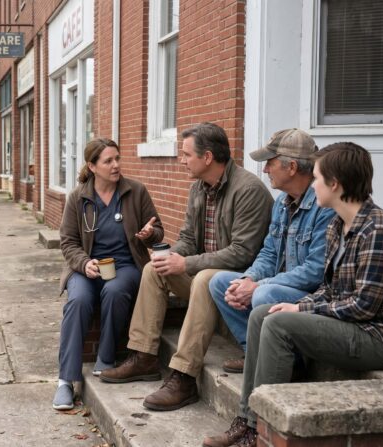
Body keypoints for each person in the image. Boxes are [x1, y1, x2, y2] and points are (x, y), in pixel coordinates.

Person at [203, 142, 383, 447]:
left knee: (280, 324)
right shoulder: (337, 226)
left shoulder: (378, 231)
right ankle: (248, 420)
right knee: (260, 315)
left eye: (317, 178)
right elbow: (330, 290)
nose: (312, 184)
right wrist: (299, 304)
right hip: (356, 326)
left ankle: (261, 429)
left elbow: (363, 307)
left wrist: (302, 311)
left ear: (335, 184)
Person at [100, 123, 273, 412]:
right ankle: (144, 357)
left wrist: (186, 262)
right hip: (206, 279)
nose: (181, 160)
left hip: (236, 288)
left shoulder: (249, 190)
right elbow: (189, 239)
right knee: (154, 269)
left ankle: (184, 376)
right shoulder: (198, 188)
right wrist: (170, 256)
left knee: (204, 277)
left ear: (207, 157)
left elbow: (244, 253)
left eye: (186, 155)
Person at [208, 129, 336, 374]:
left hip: (313, 296)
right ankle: (254, 353)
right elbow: (268, 252)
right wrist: (248, 278)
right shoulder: (281, 202)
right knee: (221, 282)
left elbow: (316, 271)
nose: (265, 170)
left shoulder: (324, 205)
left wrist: (259, 285)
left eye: (270, 163)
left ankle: (290, 364)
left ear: (292, 167)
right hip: (278, 285)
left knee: (263, 295)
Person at [53, 138, 164, 411]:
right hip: (88, 267)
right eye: (108, 161)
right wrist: (83, 263)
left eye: (117, 158)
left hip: (126, 265)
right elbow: (67, 241)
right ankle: (66, 381)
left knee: (115, 290)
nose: (116, 165)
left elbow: (157, 229)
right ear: (92, 166)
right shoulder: (78, 198)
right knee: (77, 302)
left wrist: (150, 234)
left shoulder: (135, 191)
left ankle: (106, 359)